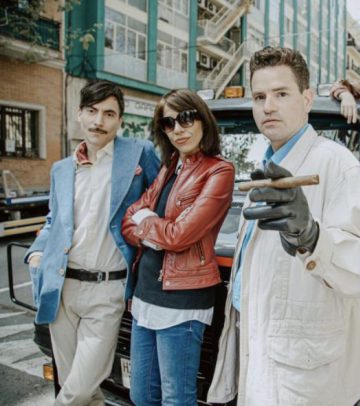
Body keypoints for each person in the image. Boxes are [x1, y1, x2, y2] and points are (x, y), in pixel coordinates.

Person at [207, 47, 360, 406]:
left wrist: (313, 237)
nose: (268, 106)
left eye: (281, 94)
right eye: (259, 97)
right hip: (265, 354)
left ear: (307, 99)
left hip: (311, 375)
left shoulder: (337, 164)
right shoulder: (266, 168)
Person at [25, 80, 160, 405]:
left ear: (120, 120)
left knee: (78, 390)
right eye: (92, 111)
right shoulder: (61, 169)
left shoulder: (138, 153)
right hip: (62, 287)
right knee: (82, 390)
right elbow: (54, 221)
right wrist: (37, 251)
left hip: (108, 289)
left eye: (109, 114)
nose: (99, 121)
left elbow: (162, 199)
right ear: (80, 114)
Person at [121, 89, 235, 406]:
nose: (178, 129)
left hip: (182, 301)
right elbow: (129, 219)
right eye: (168, 123)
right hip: (144, 296)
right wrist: (153, 226)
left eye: (185, 118)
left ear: (202, 119)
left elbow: (179, 236)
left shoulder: (219, 170)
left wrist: (148, 223)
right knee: (141, 395)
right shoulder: (170, 166)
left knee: (176, 399)